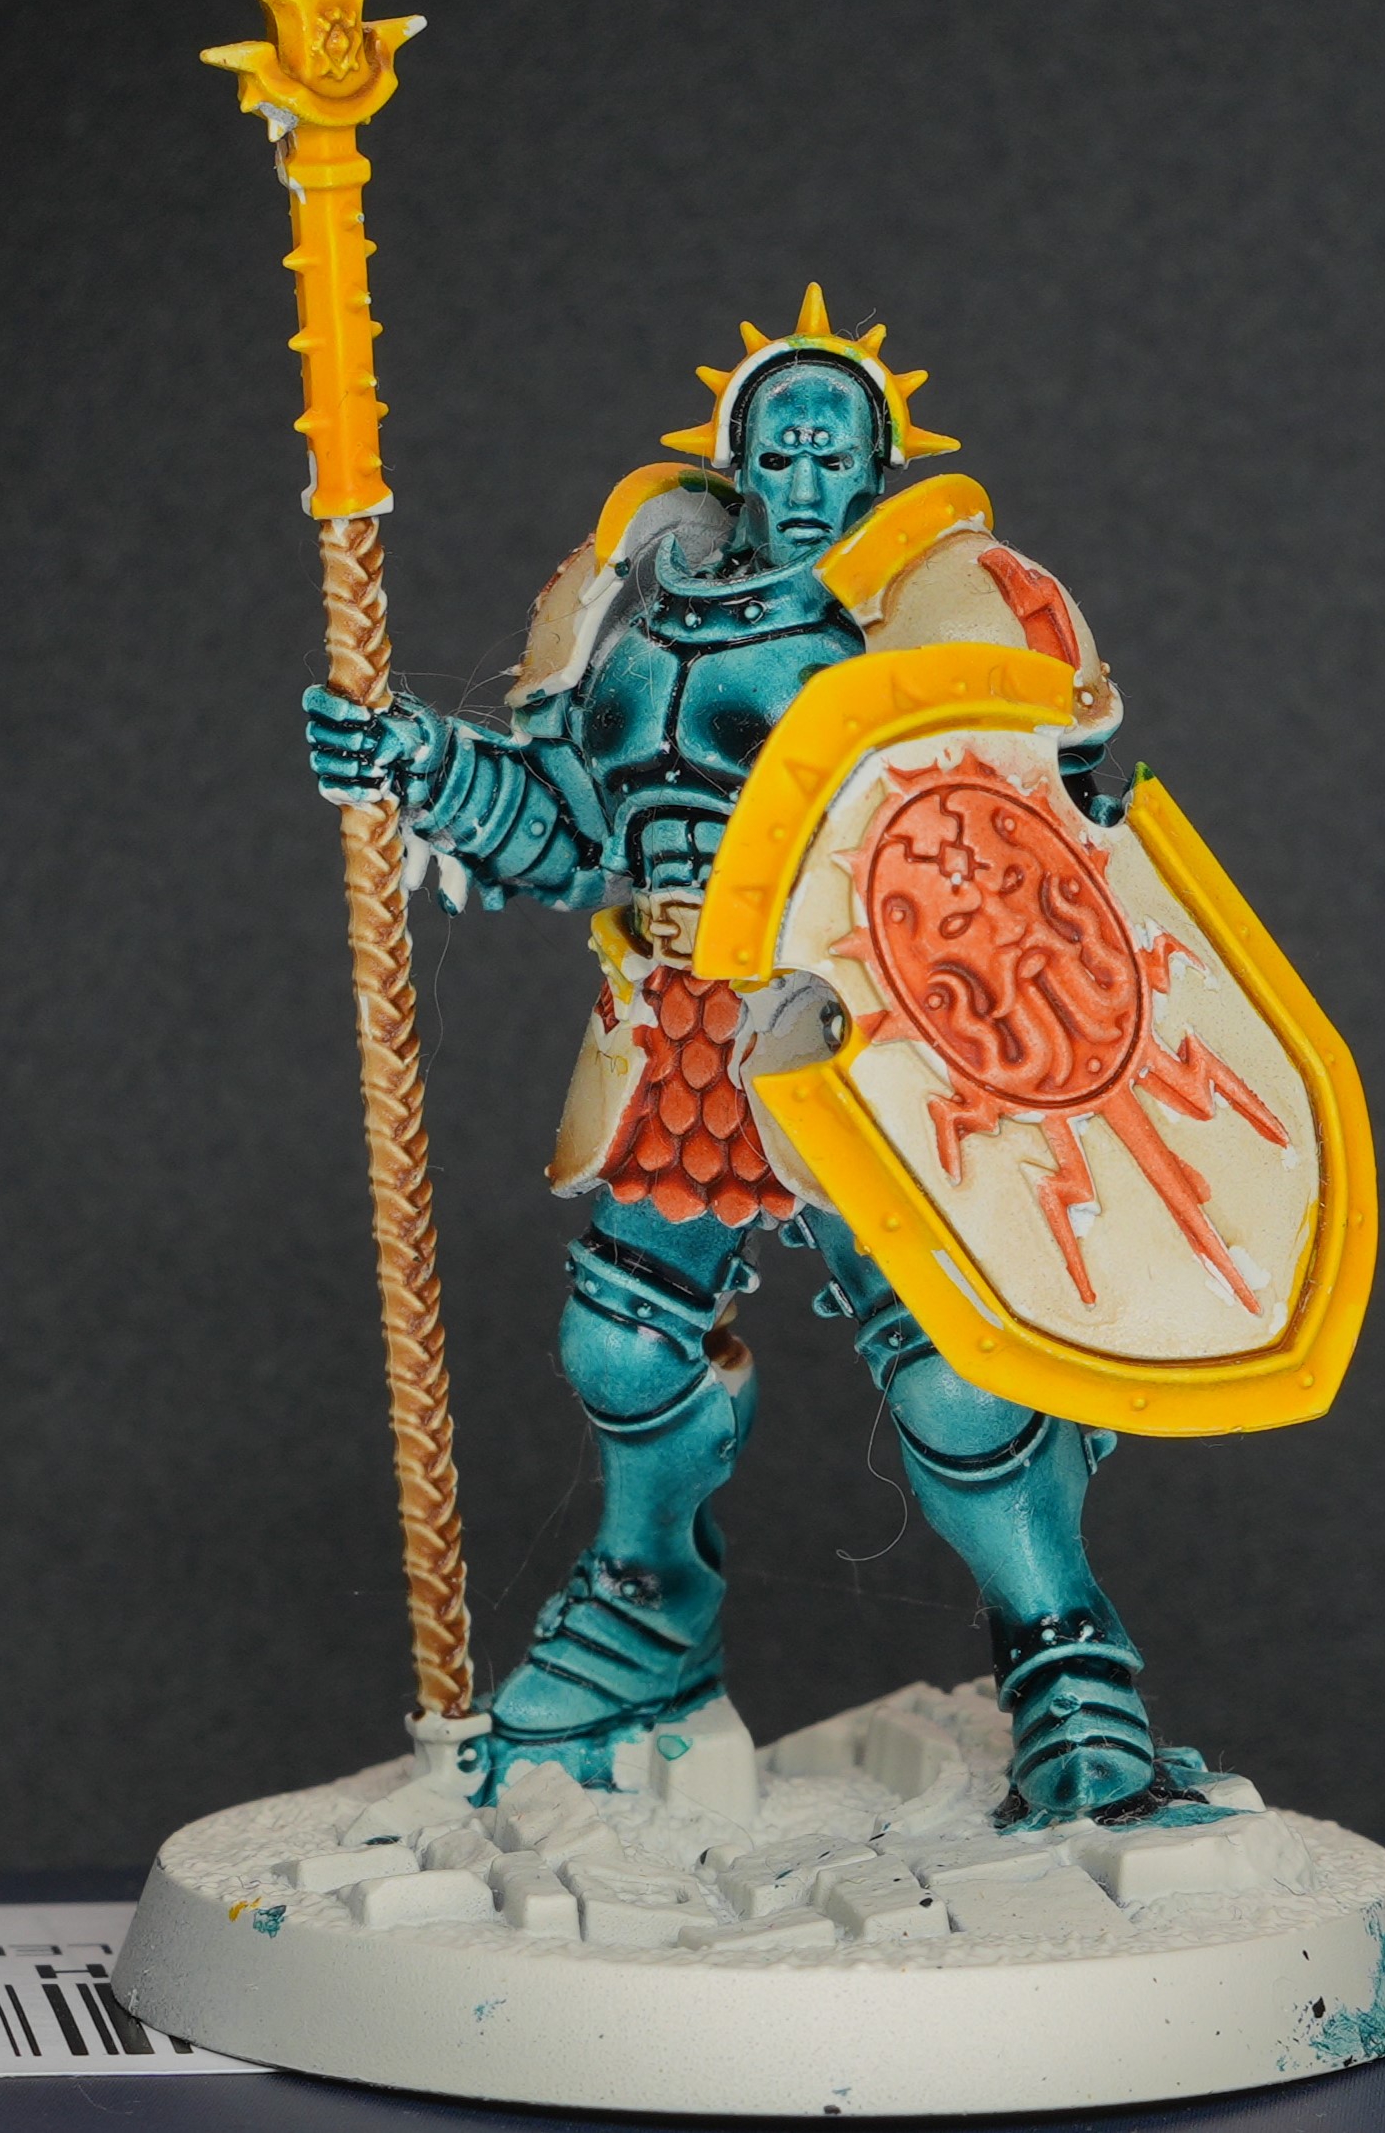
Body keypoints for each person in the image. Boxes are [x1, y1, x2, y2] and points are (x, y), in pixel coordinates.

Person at [304, 287, 1161, 1822]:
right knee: (622, 1346)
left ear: (879, 463)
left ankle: (1063, 1651)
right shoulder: (642, 625)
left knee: (954, 1376)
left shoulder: (912, 615)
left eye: (836, 450)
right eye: (782, 445)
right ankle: (646, 1615)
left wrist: (1051, 790)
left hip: (855, 1038)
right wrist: (416, 762)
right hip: (683, 1034)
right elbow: (568, 830)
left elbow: (1029, 805)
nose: (808, 473)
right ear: (736, 455)